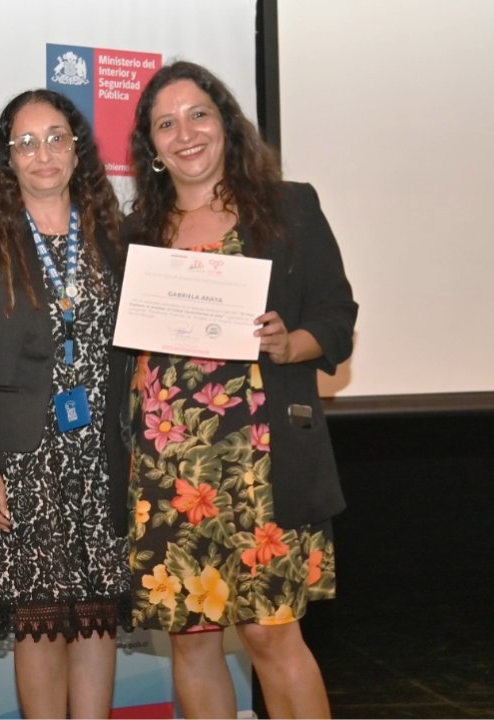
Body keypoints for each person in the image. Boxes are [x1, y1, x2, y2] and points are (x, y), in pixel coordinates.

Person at [124, 60, 358, 719]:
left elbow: (336, 318)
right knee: (191, 641)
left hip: (261, 463)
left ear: (226, 123)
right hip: (166, 471)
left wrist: (290, 343)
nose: (186, 133)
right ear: (152, 147)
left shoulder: (289, 208)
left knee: (270, 636)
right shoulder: (135, 234)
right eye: (166, 124)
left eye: (199, 114)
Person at [0, 89, 134, 719]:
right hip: (25, 460)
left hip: (102, 457)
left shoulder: (115, 237)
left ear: (78, 149)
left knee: (97, 616)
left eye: (56, 137)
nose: (43, 154)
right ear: (7, 159)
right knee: (42, 623)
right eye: (25, 143)